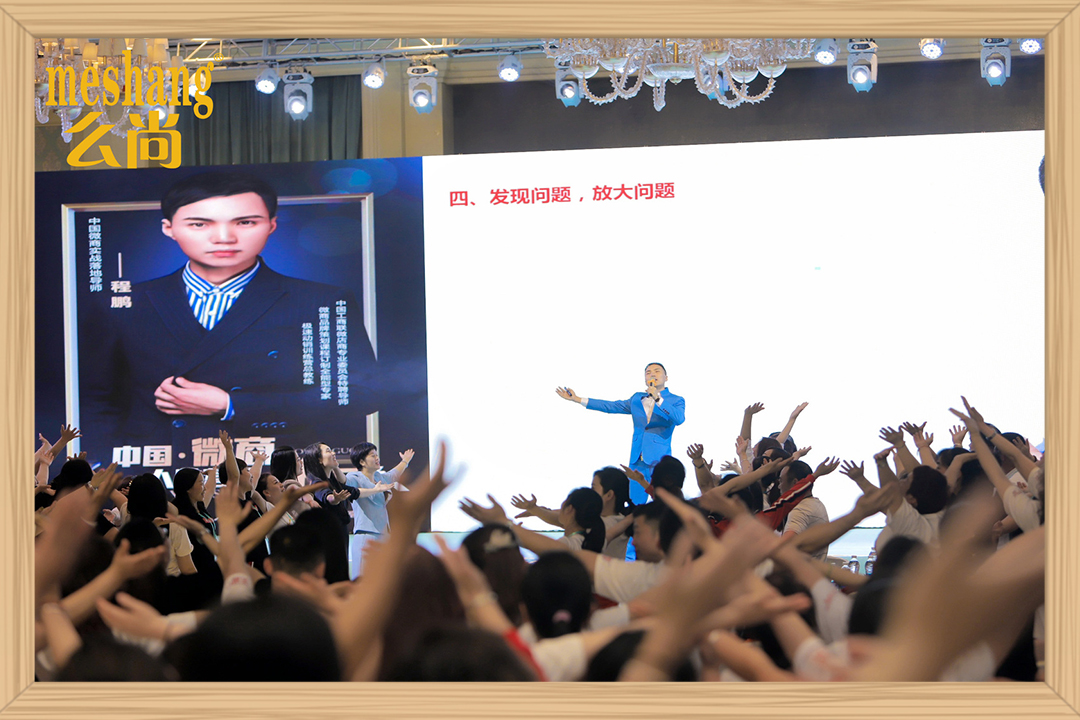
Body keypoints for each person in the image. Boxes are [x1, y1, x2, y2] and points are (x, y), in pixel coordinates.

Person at [80, 171, 379, 471]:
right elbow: (94, 399)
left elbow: (362, 393)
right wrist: (104, 468)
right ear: (168, 228)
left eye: (245, 222)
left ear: (271, 225)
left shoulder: (321, 300)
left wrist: (231, 405)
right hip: (152, 469)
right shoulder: (122, 302)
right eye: (199, 224)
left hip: (268, 469)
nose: (224, 237)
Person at [557, 362, 686, 504]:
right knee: (635, 504)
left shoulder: (676, 400)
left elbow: (679, 419)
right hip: (637, 460)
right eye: (648, 372)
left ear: (666, 377)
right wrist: (577, 399)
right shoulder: (637, 398)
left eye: (657, 371)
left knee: (666, 503)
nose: (652, 374)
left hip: (660, 460)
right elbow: (611, 406)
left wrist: (658, 399)